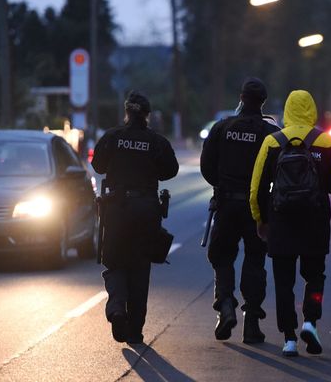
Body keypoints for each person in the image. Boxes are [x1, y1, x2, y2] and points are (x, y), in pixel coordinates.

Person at [250, 89, 331, 357]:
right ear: (312, 109)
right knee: (315, 277)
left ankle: (289, 337)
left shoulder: (272, 141)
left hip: (281, 222)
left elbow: (257, 188)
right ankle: (311, 321)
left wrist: (260, 219)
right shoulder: (326, 141)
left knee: (283, 282)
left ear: (288, 110)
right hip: (315, 221)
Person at [92, 91, 179, 344]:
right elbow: (170, 170)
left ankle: (117, 308)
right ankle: (135, 331)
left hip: (117, 209)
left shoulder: (113, 137)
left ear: (127, 112)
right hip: (147, 210)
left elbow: (97, 166)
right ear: (148, 116)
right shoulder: (156, 141)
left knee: (115, 262)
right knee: (141, 268)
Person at [200, 77, 279, 343]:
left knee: (222, 256)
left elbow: (207, 167)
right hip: (257, 206)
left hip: (226, 203)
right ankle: (252, 324)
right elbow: (276, 171)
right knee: (255, 260)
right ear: (263, 102)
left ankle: (225, 305)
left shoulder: (222, 128)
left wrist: (222, 184)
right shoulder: (269, 135)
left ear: (241, 98)